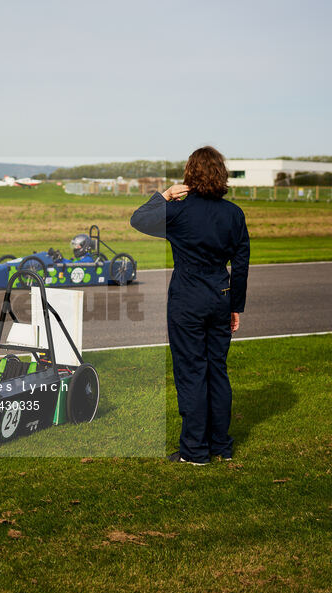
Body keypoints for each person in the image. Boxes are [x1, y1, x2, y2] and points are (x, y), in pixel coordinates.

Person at [130, 146, 250, 465]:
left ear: (189, 175)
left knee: (192, 373)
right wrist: (235, 305)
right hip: (220, 295)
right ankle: (220, 445)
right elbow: (240, 263)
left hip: (188, 298)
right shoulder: (234, 214)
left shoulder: (180, 211)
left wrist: (165, 195)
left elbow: (138, 219)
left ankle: (195, 451)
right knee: (217, 371)